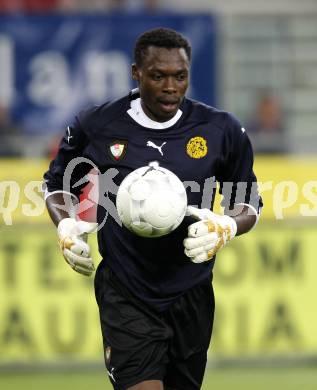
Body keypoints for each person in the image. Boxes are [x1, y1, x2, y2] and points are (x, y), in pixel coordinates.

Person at [44, 28, 262, 390]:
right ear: (136, 73)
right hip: (126, 290)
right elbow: (56, 185)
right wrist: (65, 225)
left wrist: (227, 226)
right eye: (158, 76)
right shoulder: (97, 124)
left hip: (191, 291)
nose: (170, 86)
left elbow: (249, 202)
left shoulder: (221, 130)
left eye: (180, 76)